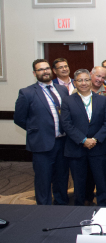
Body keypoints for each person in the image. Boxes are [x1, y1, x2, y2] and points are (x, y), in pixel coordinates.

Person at [14, 59, 70, 205]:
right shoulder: (27, 93)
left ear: (51, 71)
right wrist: (37, 130)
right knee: (43, 180)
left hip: (63, 143)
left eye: (46, 69)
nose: (44, 72)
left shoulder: (62, 90)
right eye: (40, 70)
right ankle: (43, 210)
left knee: (62, 177)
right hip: (41, 144)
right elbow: (19, 118)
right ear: (34, 73)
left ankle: (61, 205)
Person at [60, 69, 106, 206]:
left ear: (91, 81)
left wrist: (95, 139)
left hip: (98, 148)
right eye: (80, 80)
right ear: (75, 82)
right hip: (76, 149)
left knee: (101, 181)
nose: (83, 83)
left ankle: (103, 207)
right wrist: (83, 140)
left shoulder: (102, 100)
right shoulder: (67, 101)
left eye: (86, 80)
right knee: (79, 182)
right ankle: (79, 209)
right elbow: (66, 124)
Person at [84, 66, 106, 206]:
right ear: (91, 74)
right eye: (97, 76)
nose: (100, 79)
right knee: (87, 171)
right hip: (85, 140)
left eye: (103, 77)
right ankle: (87, 197)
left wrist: (103, 134)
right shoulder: (79, 92)